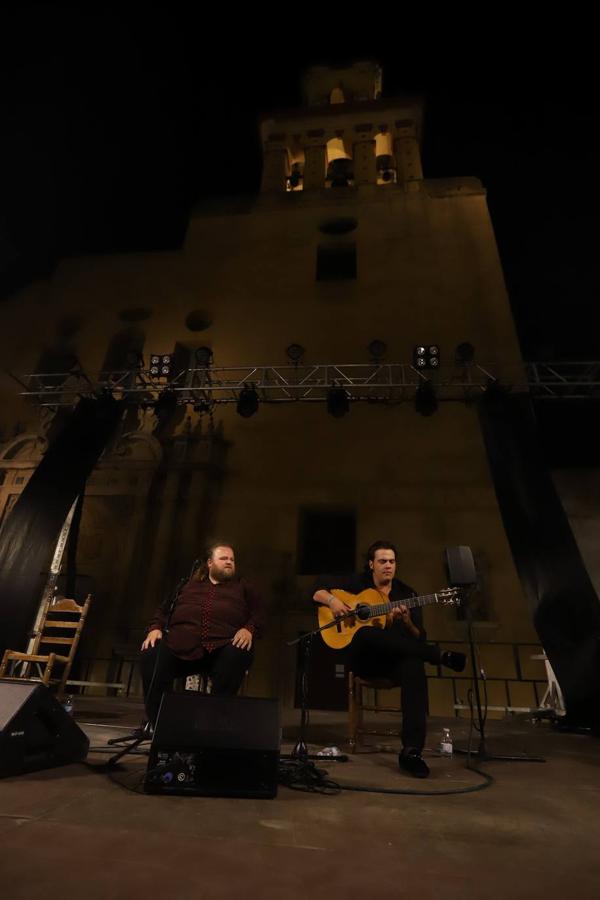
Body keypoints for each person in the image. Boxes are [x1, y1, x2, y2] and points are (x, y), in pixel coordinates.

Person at [313, 540, 465, 778]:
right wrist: (332, 601)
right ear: (371, 564)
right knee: (365, 632)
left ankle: (411, 752)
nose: (388, 566)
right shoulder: (356, 583)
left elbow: (419, 636)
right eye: (382, 561)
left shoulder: (408, 594)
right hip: (364, 659)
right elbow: (317, 590)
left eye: (392, 561)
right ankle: (437, 655)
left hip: (393, 662)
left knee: (414, 664)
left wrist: (405, 622)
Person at [140, 542, 264, 730]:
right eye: (223, 558)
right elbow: (163, 610)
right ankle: (161, 724)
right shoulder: (187, 585)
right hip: (180, 647)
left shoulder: (243, 587)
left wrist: (248, 629)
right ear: (209, 563)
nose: (229, 562)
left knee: (238, 652)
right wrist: (155, 627)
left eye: (232, 559)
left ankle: (213, 727)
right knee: (151, 654)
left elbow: (260, 614)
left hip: (222, 649)